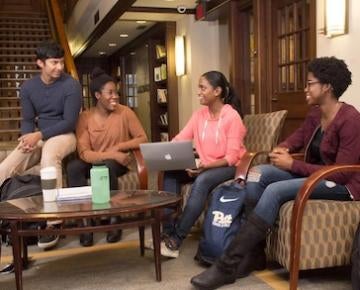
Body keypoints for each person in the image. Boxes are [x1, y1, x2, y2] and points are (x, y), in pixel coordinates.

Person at [190, 57, 360, 290]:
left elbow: (340, 173)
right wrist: (284, 148)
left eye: (310, 83)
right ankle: (255, 254)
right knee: (257, 174)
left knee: (274, 190)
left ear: (327, 87)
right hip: (314, 176)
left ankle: (226, 265)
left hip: (341, 185)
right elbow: (297, 138)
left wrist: (292, 165)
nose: (305, 88)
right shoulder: (315, 114)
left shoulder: (350, 119)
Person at [0, 40, 82, 251]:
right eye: (54, 63)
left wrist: (38, 135)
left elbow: (69, 121)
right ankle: (5, 216)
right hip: (38, 135)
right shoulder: (28, 87)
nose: (60, 67)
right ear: (40, 63)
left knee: (49, 156)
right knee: (6, 167)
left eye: (61, 62)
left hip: (64, 135)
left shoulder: (71, 85)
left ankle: (54, 221)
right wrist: (27, 138)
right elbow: (28, 119)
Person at [155, 71, 247, 258]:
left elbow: (231, 157)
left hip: (230, 167)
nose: (198, 92)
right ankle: (167, 230)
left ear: (217, 91)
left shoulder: (232, 117)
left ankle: (177, 239)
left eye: (202, 88)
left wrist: (204, 167)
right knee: (170, 172)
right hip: (204, 165)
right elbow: (181, 138)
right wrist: (164, 152)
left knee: (203, 180)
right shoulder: (199, 115)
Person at [66, 67, 147, 247]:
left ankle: (113, 220)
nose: (115, 96)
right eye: (110, 93)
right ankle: (84, 223)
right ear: (97, 96)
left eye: (116, 92)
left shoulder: (125, 112)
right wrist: (112, 154)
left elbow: (143, 138)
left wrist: (120, 147)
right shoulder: (85, 118)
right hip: (96, 160)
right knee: (73, 167)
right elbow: (84, 153)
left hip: (117, 164)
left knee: (108, 166)